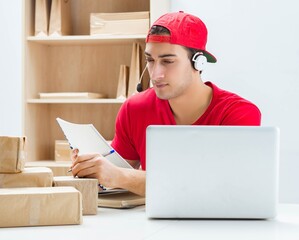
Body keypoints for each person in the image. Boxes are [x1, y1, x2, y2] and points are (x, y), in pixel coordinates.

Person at [70, 11, 261, 196]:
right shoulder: (134, 108)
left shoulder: (239, 113)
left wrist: (120, 177)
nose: (155, 74)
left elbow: (223, 187)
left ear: (199, 63)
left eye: (168, 61)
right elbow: (117, 179)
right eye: (150, 60)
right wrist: (92, 168)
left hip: (217, 226)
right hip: (152, 224)